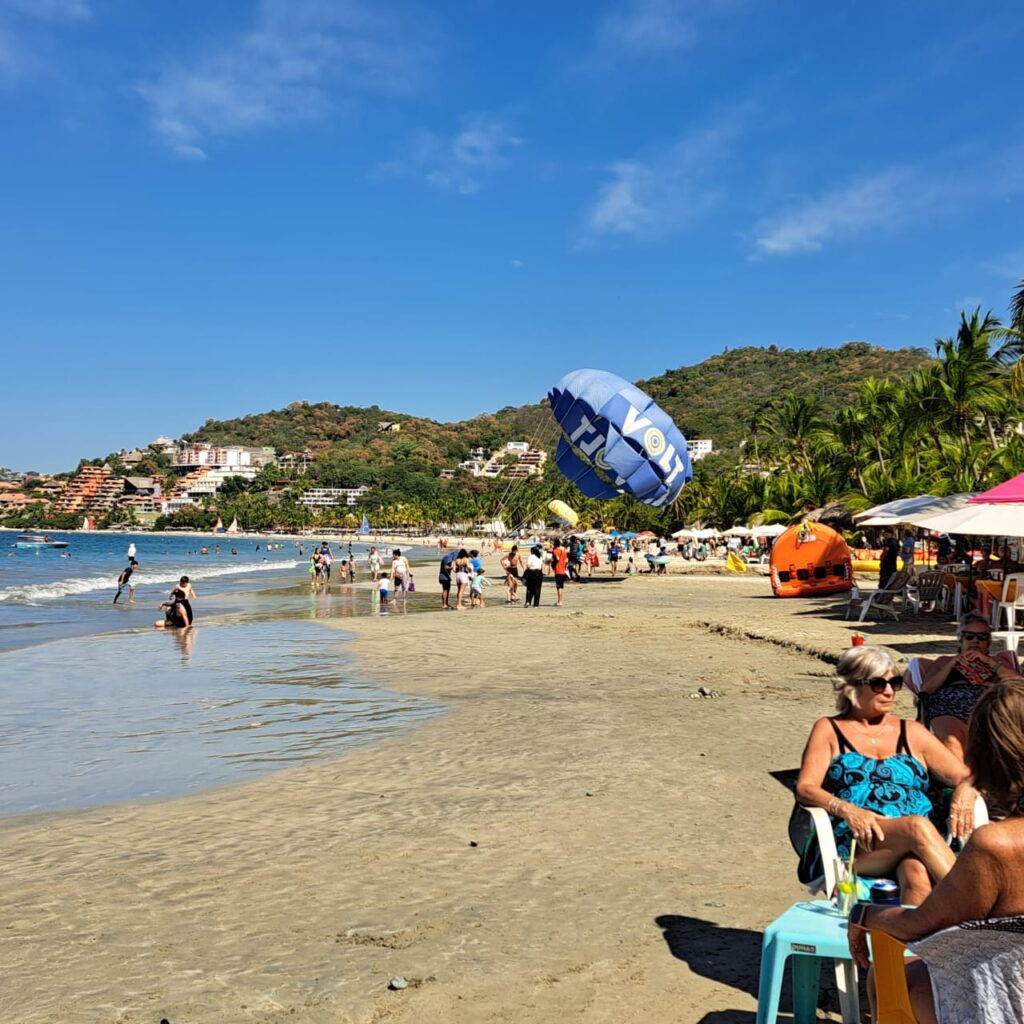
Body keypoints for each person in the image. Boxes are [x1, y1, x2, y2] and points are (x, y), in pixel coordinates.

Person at [847, 682, 1024, 1024]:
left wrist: (865, 915)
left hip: (1000, 1008)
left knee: (890, 975)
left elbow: (917, 926)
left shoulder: (997, 846)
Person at [795, 645, 977, 905]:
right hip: (862, 842)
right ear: (852, 686)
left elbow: (967, 775)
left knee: (916, 875)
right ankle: (978, 909)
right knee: (916, 826)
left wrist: (965, 791)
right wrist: (848, 811)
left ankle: (910, 944)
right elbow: (805, 787)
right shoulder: (829, 729)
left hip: (918, 841)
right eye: (879, 684)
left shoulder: (911, 731)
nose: (890, 691)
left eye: (896, 682)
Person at [907, 612, 1024, 760]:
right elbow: (926, 690)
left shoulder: (998, 661)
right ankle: (964, 778)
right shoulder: (944, 661)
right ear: (961, 639)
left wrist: (989, 663)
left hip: (989, 705)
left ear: (988, 642)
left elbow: (1019, 684)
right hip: (949, 704)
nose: (975, 641)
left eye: (982, 637)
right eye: (970, 636)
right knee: (953, 740)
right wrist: (951, 665)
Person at [552, 538, 569, 607]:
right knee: (561, 587)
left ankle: (559, 602)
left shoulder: (555, 551)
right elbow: (566, 561)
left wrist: (553, 564)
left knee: (558, 587)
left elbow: (557, 558)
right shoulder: (564, 551)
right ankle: (560, 601)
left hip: (558, 570)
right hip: (563, 570)